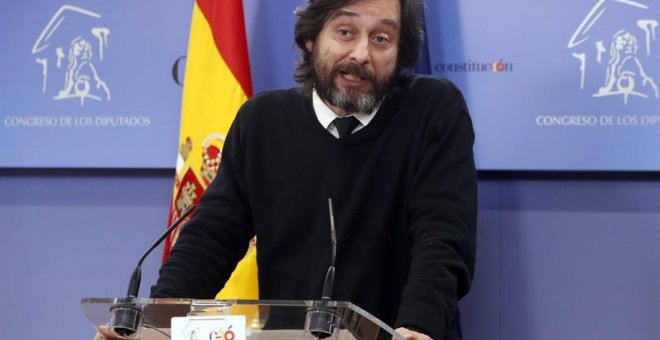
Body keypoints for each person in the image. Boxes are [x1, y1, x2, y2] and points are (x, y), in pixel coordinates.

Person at [96, 0, 476, 339]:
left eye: (381, 39)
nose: (361, 53)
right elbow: (211, 237)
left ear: (399, 52)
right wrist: (155, 325)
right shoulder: (263, 120)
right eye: (345, 32)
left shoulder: (433, 110)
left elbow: (442, 237)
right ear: (311, 39)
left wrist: (418, 327)